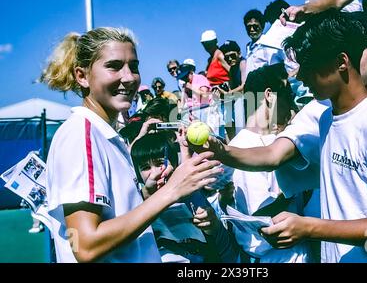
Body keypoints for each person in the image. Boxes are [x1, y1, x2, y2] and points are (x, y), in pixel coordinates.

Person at [40, 27, 222, 263]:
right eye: (114, 66)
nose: (129, 77)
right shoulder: (81, 134)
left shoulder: (104, 135)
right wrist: (172, 189)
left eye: (134, 67)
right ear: (82, 76)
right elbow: (85, 245)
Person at [261, 10, 367, 263]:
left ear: (341, 61)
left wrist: (308, 227)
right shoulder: (327, 119)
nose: (301, 76)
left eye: (308, 64)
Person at [225, 63, 308, 263]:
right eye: (287, 93)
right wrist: (302, 186)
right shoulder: (245, 145)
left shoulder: (270, 141)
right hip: (276, 256)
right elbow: (261, 216)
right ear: (270, 96)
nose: (290, 103)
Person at [131, 131, 240, 263]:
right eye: (146, 167)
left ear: (173, 163)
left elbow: (224, 251)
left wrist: (213, 227)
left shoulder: (191, 195)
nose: (155, 173)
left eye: (160, 163)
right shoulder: (134, 200)